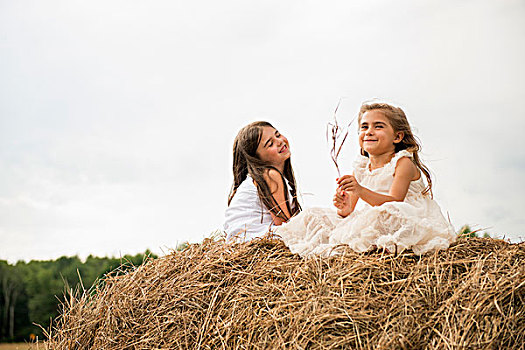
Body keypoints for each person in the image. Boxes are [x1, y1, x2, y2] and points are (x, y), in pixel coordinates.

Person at [276, 102, 456, 256]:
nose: (369, 132)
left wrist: (361, 190)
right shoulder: (361, 167)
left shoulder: (403, 163)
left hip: (403, 216)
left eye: (378, 126)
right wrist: (343, 205)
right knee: (314, 215)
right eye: (364, 127)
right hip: (373, 216)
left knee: (386, 213)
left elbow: (395, 201)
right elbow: (348, 211)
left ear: (397, 136)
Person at [223, 121, 302, 241]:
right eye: (270, 144)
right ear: (256, 158)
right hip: (255, 239)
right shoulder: (270, 175)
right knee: (317, 218)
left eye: (278, 135)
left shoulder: (264, 176)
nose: (279, 141)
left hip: (247, 242)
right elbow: (285, 226)